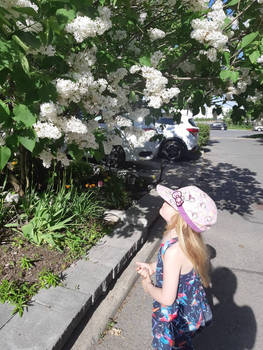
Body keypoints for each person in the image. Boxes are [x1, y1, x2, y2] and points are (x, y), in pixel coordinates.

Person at [136, 184, 217, 350]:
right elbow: (171, 264)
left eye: (171, 202)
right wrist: (153, 266)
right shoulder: (182, 239)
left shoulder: (175, 251)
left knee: (173, 345)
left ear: (182, 218)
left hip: (174, 313)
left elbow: (167, 298)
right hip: (186, 308)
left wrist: (147, 286)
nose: (165, 201)